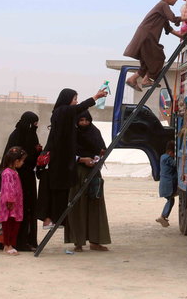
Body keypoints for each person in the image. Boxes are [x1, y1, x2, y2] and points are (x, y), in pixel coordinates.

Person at [37, 87, 108, 229]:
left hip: (61, 158)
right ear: (67, 99)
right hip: (58, 159)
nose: (76, 102)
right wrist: (96, 97)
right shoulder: (62, 111)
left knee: (61, 189)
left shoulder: (63, 114)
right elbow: (80, 108)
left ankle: (54, 219)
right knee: (58, 189)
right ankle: (51, 219)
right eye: (75, 99)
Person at [124, 0, 187, 91]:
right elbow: (173, 18)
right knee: (159, 57)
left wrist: (181, 35)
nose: (176, 0)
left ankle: (132, 79)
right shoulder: (163, 5)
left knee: (146, 63)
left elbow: (168, 27)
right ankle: (146, 79)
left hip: (144, 36)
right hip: (147, 36)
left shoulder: (161, 9)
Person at [65, 110, 111, 252]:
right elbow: (67, 153)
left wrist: (97, 158)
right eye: (81, 120)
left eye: (87, 120)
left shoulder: (94, 132)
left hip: (93, 173)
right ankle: (77, 243)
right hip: (78, 173)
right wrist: (82, 159)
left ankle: (95, 241)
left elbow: (101, 149)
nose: (84, 123)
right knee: (78, 206)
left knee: (95, 205)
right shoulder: (73, 134)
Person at [0, 111, 40, 251]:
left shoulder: (31, 135)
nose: (36, 128)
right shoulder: (16, 137)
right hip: (17, 181)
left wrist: (37, 152)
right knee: (12, 214)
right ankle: (14, 242)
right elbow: (13, 158)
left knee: (27, 210)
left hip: (27, 179)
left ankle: (26, 241)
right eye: (34, 125)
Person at [0, 146, 27, 256]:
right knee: (8, 225)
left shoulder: (14, 172)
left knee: (15, 224)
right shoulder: (7, 173)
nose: (23, 163)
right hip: (10, 205)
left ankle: (10, 244)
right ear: (16, 161)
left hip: (16, 205)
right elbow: (7, 188)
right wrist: (10, 201)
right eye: (22, 161)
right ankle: (7, 245)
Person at [156, 140, 177, 228]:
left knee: (170, 200)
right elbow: (176, 164)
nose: (174, 156)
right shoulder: (167, 158)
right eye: (174, 154)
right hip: (167, 184)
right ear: (170, 152)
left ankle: (163, 216)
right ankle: (163, 216)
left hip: (165, 184)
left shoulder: (163, 157)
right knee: (170, 200)